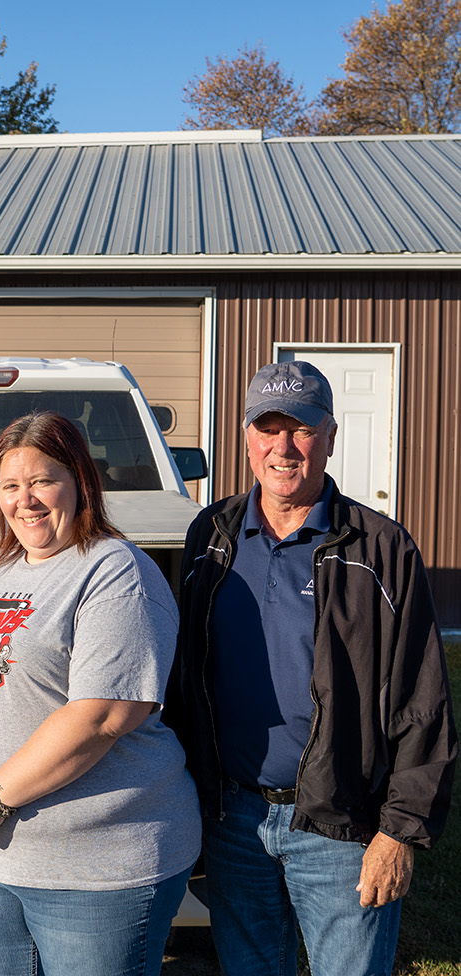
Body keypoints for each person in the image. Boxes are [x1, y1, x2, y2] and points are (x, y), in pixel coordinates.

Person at [166, 360, 456, 976]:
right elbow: (184, 676)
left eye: (300, 429)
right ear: (246, 438)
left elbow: (421, 697)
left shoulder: (379, 548)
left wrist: (399, 831)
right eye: (267, 429)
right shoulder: (210, 535)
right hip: (234, 817)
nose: (283, 448)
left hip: (343, 827)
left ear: (328, 434)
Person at [0, 410, 200, 976]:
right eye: (10, 485)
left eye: (43, 480)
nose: (26, 500)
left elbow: (102, 715)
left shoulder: (116, 573)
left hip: (96, 870)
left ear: (80, 481)